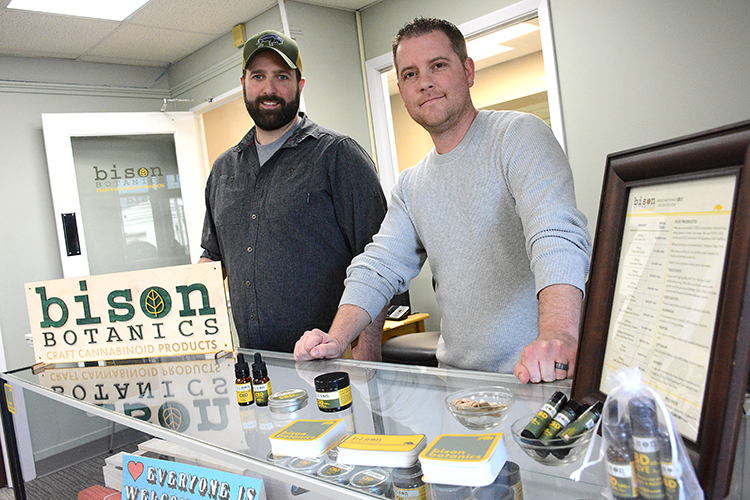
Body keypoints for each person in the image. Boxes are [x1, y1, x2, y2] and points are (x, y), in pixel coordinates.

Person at [294, 18, 592, 383]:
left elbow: (555, 235)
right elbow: (377, 268)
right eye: (409, 74)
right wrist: (335, 338)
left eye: (438, 65)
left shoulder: (519, 136)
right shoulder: (411, 185)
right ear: (402, 91)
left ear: (467, 71)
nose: (424, 83)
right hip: (458, 387)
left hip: (538, 375)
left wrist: (558, 335)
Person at [200, 30, 387, 358]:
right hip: (257, 365)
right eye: (258, 76)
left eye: (281, 77)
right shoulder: (223, 170)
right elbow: (213, 261)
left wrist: (368, 353)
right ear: (243, 82)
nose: (268, 89)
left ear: (300, 84)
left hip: (330, 361)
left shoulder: (338, 156)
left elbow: (379, 262)